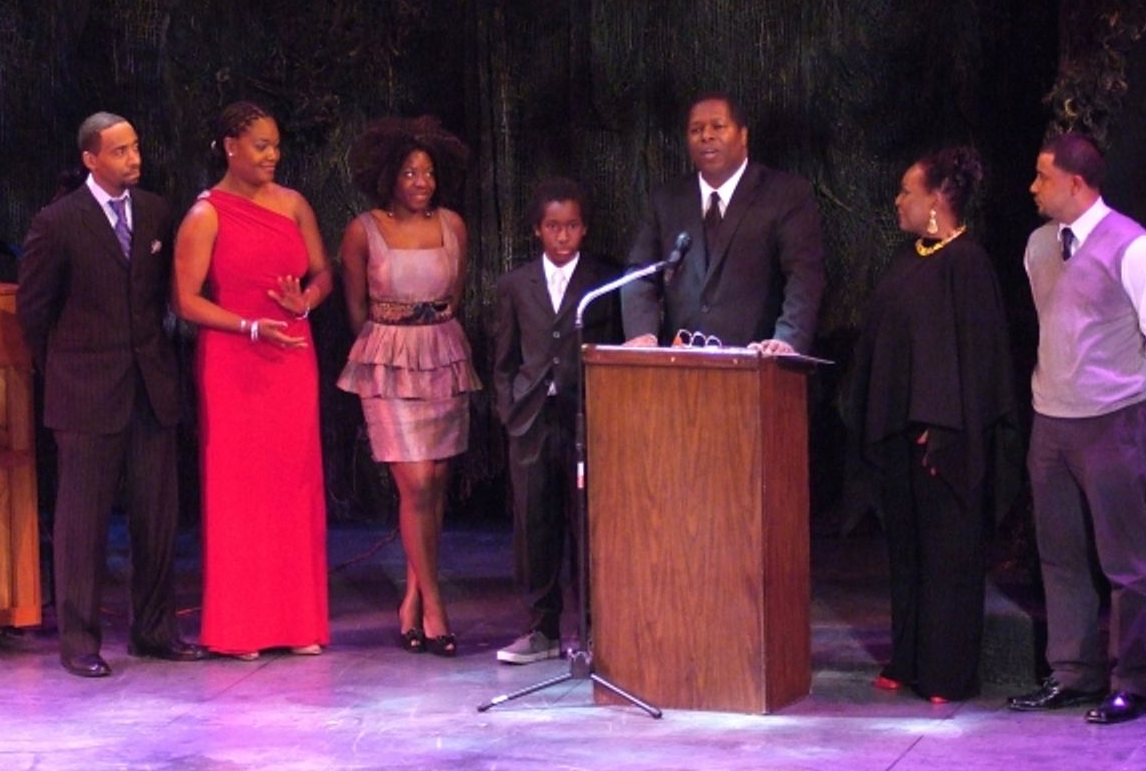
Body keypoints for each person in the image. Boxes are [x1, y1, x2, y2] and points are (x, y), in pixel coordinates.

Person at [17, 112, 205, 677]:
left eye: (135, 147)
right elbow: (34, 313)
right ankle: (79, 641)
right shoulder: (58, 222)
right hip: (85, 395)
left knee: (157, 518)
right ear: (90, 159)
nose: (133, 158)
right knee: (83, 523)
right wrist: (66, 373)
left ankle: (155, 630)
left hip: (150, 389)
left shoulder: (155, 211)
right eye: (120, 151)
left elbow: (162, 297)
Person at [1009, 133, 1146, 724]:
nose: (1033, 187)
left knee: (1124, 560)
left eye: (1043, 177)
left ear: (1076, 183)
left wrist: (1133, 397)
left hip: (1112, 421)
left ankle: (1132, 681)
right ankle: (1073, 674)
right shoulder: (1039, 245)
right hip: (1051, 421)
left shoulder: (1133, 247)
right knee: (1060, 554)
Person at [851, 147, 1019, 702]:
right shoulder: (906, 259)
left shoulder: (968, 263)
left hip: (946, 441)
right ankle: (908, 658)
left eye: (907, 191)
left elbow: (977, 356)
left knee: (948, 556)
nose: (898, 200)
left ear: (936, 199)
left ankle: (946, 671)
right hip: (901, 433)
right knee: (907, 551)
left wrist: (945, 423)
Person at [173, 101, 332, 659]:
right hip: (235, 360)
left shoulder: (294, 204)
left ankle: (298, 622)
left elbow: (323, 272)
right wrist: (247, 325)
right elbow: (185, 300)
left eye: (275, 145)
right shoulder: (206, 215)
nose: (272, 155)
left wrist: (306, 300)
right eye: (261, 145)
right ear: (230, 147)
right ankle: (242, 628)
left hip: (292, 357)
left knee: (294, 484)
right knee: (241, 492)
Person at [337, 115, 482, 657]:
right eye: (409, 173)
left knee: (436, 482)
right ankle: (436, 602)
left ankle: (414, 598)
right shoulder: (363, 230)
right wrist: (390, 341)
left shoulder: (453, 226)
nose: (422, 182)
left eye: (428, 173)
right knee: (416, 482)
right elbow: (356, 310)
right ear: (387, 177)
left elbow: (455, 295)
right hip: (388, 360)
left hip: (441, 353)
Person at [493, 178, 622, 664]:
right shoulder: (515, 284)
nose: (562, 236)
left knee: (586, 523)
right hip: (532, 419)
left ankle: (593, 631)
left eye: (571, 226)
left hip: (584, 419)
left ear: (584, 229)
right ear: (537, 230)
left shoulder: (604, 281)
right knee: (534, 525)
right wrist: (510, 411)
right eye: (553, 226)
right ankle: (541, 630)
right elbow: (505, 358)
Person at [621, 93, 824, 353]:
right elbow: (639, 274)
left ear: (743, 135)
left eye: (717, 126)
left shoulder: (785, 195)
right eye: (696, 130)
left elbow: (804, 276)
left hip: (756, 361)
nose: (706, 135)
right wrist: (642, 335)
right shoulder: (667, 200)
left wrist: (787, 339)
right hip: (679, 366)